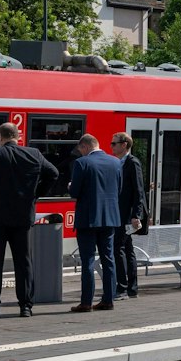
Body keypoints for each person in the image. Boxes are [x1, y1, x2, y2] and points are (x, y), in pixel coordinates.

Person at [0, 121, 58, 318]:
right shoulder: (34, 154)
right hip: (22, 216)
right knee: (23, 262)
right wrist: (34, 195)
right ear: (18, 137)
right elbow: (53, 173)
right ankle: (25, 306)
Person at [68, 133, 123, 311]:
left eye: (81, 150)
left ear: (85, 146)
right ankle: (109, 299)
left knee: (88, 261)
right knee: (109, 259)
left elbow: (74, 192)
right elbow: (119, 189)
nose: (81, 153)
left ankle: (86, 302)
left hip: (88, 219)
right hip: (110, 218)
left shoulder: (82, 163)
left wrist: (70, 186)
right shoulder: (116, 162)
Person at [112, 132, 144, 299]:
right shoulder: (120, 162)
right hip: (120, 213)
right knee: (127, 249)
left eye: (114, 143)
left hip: (126, 215)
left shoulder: (132, 162)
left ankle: (122, 288)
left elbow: (139, 190)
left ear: (124, 145)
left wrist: (136, 214)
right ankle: (131, 288)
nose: (112, 146)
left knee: (118, 248)